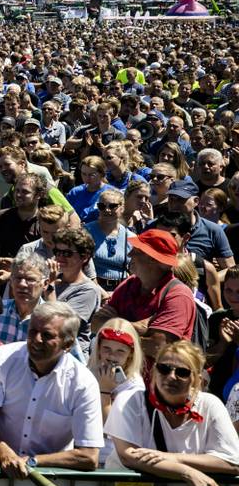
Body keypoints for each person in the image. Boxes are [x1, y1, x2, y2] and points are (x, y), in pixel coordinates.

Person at [0, 302, 103, 477]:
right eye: (32, 331)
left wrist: (32, 461)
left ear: (68, 344)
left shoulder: (83, 383)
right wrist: (3, 451)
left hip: (50, 479)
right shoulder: (0, 360)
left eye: (47, 335)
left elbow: (89, 457)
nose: (36, 339)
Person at [106, 341, 239, 486]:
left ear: (196, 379)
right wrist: (185, 472)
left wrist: (174, 457)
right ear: (154, 371)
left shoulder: (210, 404)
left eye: (182, 372)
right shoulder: (129, 400)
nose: (171, 376)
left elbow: (232, 462)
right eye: (164, 369)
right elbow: (129, 456)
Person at [90, 229, 198, 363]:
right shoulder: (129, 283)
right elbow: (95, 324)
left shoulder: (178, 295)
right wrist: (135, 327)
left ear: (153, 259)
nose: (129, 254)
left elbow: (157, 347)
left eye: (136, 251)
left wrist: (114, 323)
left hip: (153, 382)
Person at [88, 320, 145, 466]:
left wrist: (105, 391)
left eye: (120, 351)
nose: (112, 356)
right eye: (106, 348)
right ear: (98, 348)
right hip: (87, 453)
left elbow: (113, 432)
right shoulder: (87, 374)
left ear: (130, 355)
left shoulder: (134, 385)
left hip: (114, 459)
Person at [0, 252, 53, 345]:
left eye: (30, 279)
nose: (22, 284)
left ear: (45, 284)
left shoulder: (53, 319)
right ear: (11, 281)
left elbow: (73, 358)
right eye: (18, 278)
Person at [86, 188, 132, 292]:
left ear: (122, 208)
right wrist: (99, 291)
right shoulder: (86, 232)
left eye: (112, 206)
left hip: (122, 289)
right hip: (93, 286)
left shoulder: (130, 237)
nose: (107, 210)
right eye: (102, 206)